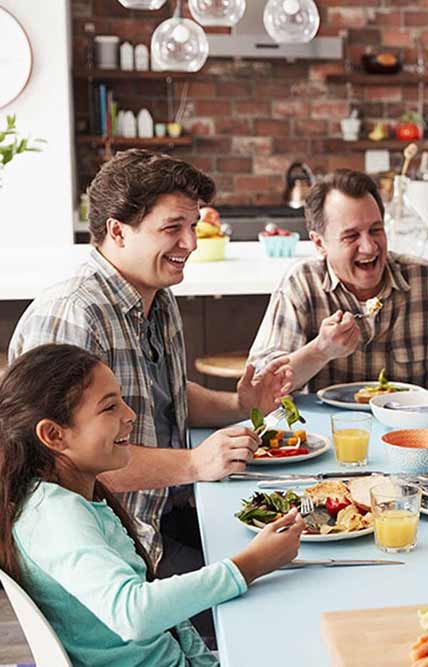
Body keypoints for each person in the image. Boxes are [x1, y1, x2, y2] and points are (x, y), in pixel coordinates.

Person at [7, 149, 293, 580]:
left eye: (193, 226)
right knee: (278, 584)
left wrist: (239, 403)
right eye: (172, 228)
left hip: (168, 509)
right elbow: (70, 464)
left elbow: (166, 396)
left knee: (302, 537)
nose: (192, 243)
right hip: (120, 550)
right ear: (118, 232)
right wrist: (195, 464)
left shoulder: (157, 297)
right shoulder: (75, 315)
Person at [0, 344, 305, 667]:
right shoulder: (57, 517)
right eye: (109, 408)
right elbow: (134, 614)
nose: (129, 416)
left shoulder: (56, 500)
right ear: (53, 435)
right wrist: (250, 564)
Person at [248, 169, 428, 393]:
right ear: (320, 243)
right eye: (351, 236)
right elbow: (262, 383)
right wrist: (320, 350)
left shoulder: (424, 279)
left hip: (415, 434)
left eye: (376, 230)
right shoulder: (302, 284)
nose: (369, 246)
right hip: (328, 435)